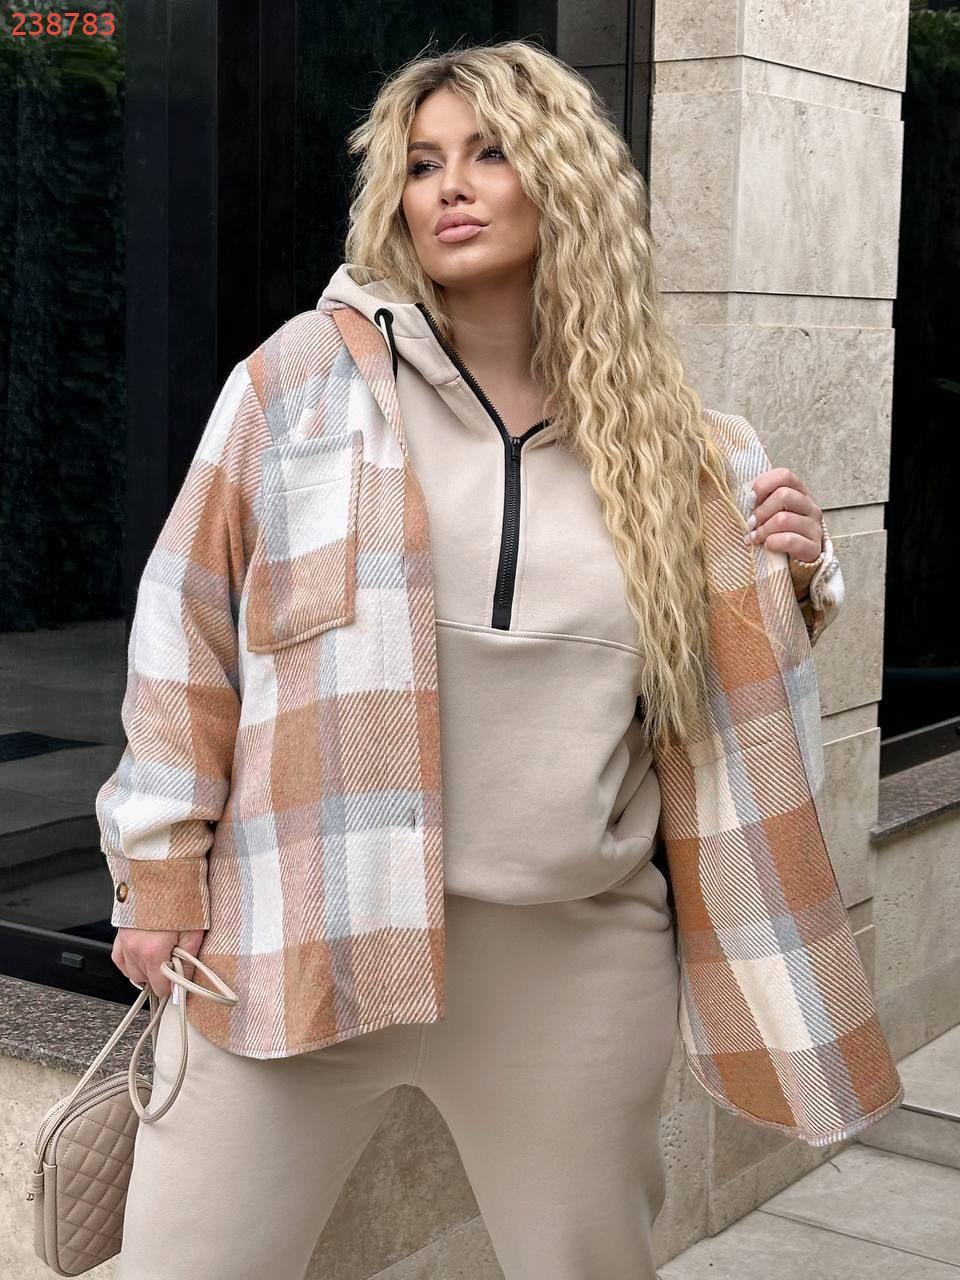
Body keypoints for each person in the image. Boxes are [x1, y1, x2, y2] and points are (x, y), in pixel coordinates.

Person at [102, 39, 850, 1280]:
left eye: (489, 152)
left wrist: (800, 571)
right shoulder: (300, 384)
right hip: (301, 926)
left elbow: (727, 693)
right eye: (421, 163)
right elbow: (187, 625)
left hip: (571, 964)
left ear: (564, 178)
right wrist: (160, 872)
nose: (448, 185)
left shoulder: (685, 448)